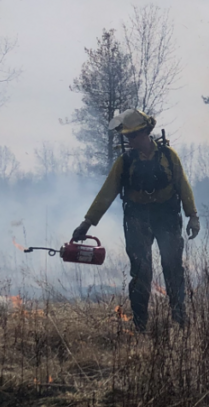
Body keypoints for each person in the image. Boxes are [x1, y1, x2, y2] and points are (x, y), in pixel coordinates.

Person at [72, 109, 200, 331]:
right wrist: (87, 222)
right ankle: (141, 324)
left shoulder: (169, 156)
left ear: (144, 133)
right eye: (126, 137)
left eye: (132, 136)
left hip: (167, 216)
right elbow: (107, 192)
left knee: (173, 268)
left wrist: (193, 216)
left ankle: (180, 319)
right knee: (140, 271)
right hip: (137, 218)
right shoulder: (125, 161)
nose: (129, 141)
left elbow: (183, 185)